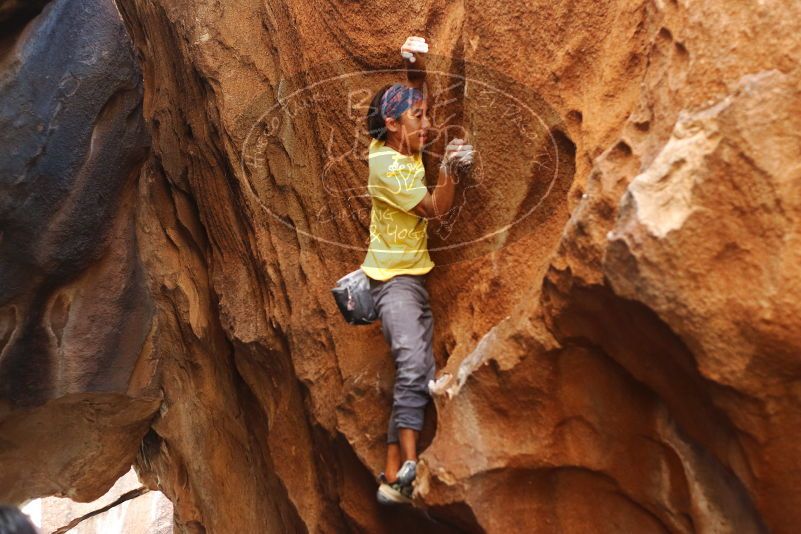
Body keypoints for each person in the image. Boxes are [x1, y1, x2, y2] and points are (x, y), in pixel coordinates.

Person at [360, 35, 473, 506]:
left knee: (418, 368)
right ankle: (404, 469)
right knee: (413, 371)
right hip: (393, 286)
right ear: (391, 125)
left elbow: (410, 109)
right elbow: (432, 208)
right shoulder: (388, 165)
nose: (427, 125)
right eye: (418, 119)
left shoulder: (397, 144)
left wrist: (414, 68)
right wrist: (448, 167)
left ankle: (391, 474)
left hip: (410, 278)